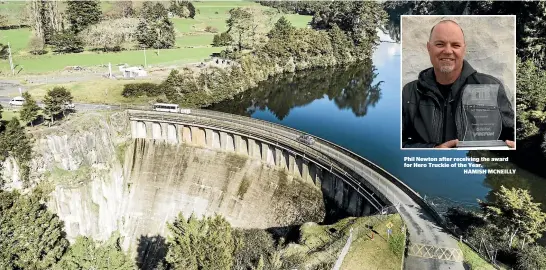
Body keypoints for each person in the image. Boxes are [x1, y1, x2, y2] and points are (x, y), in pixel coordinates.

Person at [402, 20, 515, 148]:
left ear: (464, 49)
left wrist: (514, 148)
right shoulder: (410, 92)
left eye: (455, 45)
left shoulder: (491, 87)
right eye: (440, 44)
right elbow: (397, 144)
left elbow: (513, 134)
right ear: (429, 47)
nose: (448, 51)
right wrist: (432, 150)